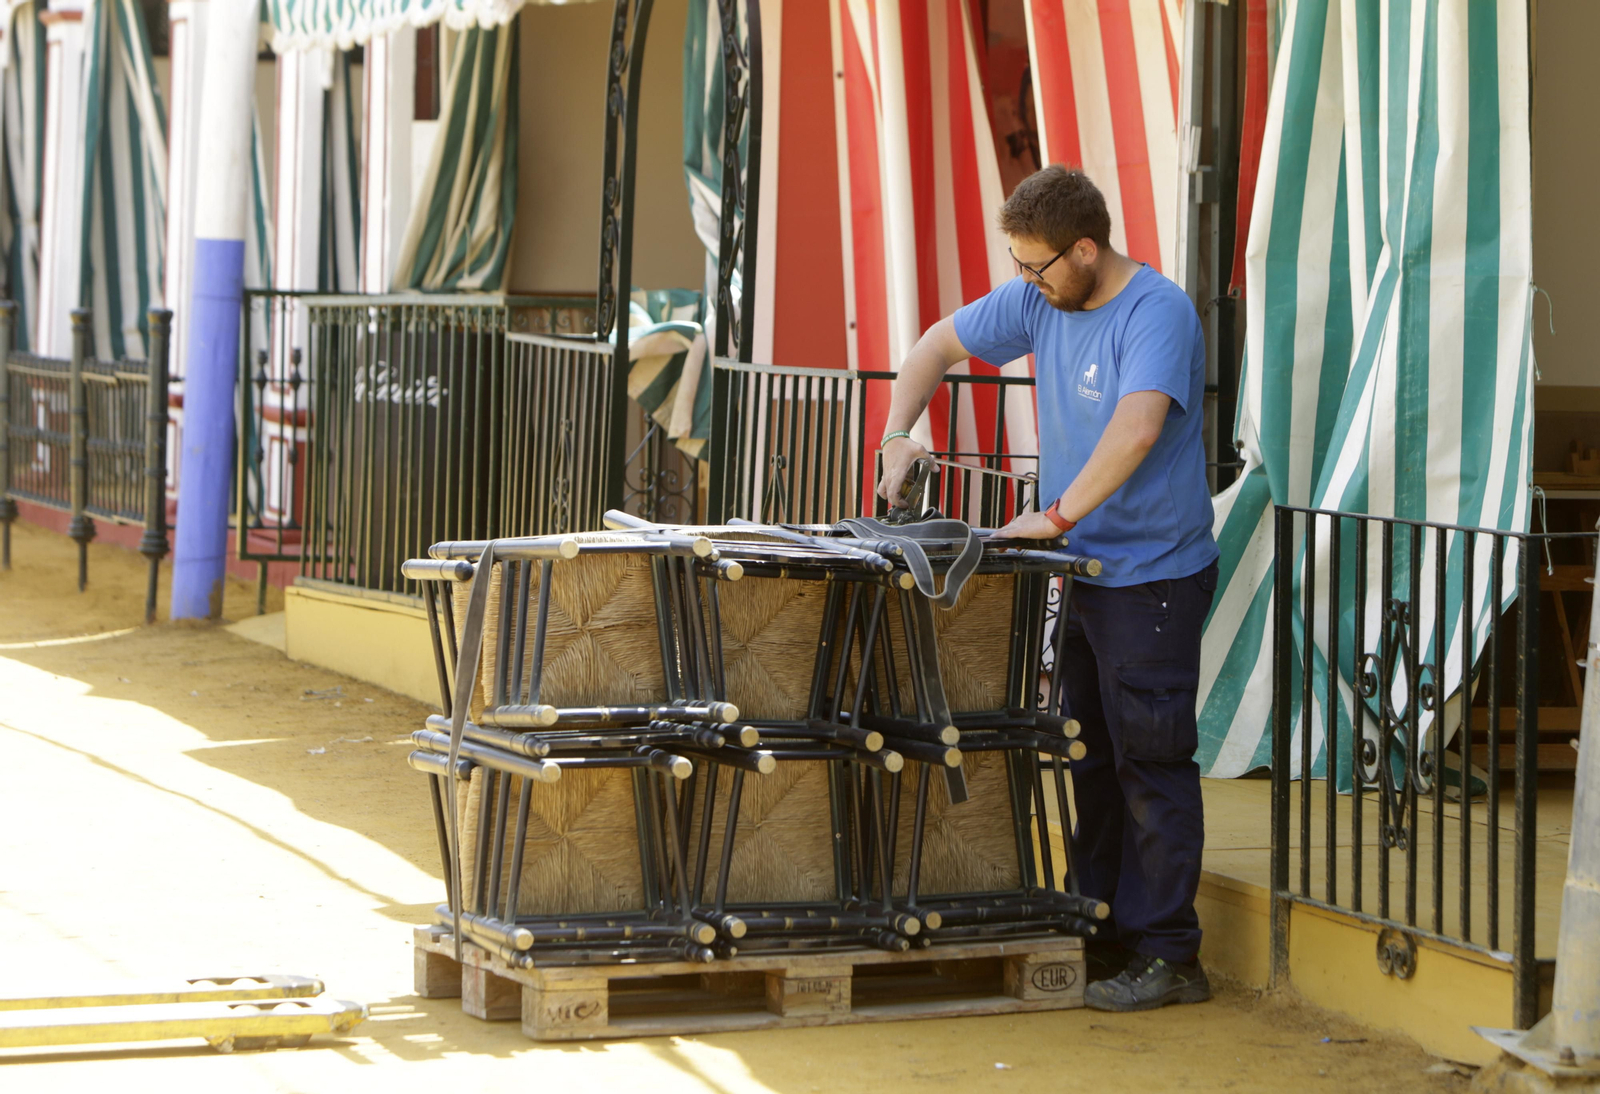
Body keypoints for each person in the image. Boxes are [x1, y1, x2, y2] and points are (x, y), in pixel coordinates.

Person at [876, 165, 1219, 1012]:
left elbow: (1137, 429)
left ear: (1086, 249)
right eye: (1017, 265)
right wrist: (896, 434)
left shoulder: (1158, 312)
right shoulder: (1040, 298)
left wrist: (1056, 516)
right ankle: (1100, 928)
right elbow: (935, 345)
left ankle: (1171, 953)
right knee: (1092, 758)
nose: (1023, 282)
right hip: (1086, 572)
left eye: (1036, 266)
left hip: (1154, 578)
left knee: (1152, 762)